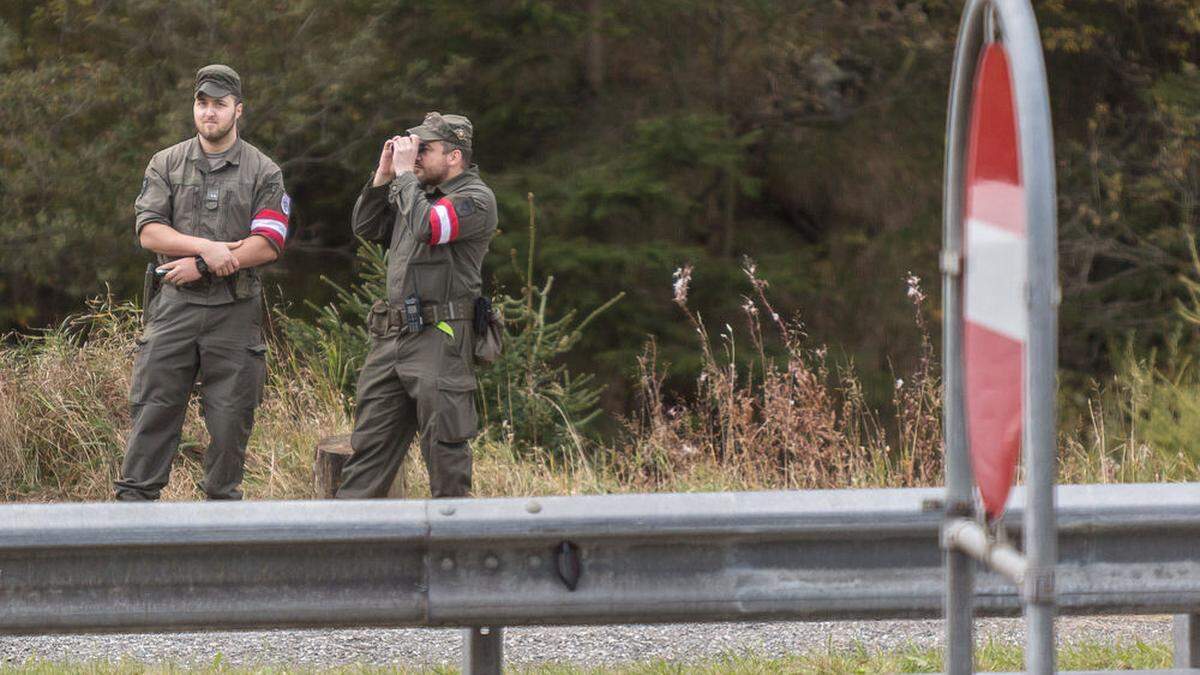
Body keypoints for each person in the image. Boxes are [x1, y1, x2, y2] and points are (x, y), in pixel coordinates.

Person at [115, 64, 291, 501]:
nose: (209, 113)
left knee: (231, 423)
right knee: (153, 412)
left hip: (234, 313)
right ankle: (133, 518)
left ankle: (219, 522)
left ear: (238, 111)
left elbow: (268, 242)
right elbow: (150, 232)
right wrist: (207, 249)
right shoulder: (167, 163)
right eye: (202, 103)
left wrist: (206, 264)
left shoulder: (263, 171)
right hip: (174, 308)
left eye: (219, 105)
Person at [336, 112, 497, 499]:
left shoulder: (475, 199)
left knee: (444, 450)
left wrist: (406, 178)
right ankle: (349, 546)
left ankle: (454, 546)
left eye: (425, 149)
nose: (416, 155)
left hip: (440, 338)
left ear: (455, 156)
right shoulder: (415, 194)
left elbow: (431, 227)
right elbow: (367, 228)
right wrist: (384, 176)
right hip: (392, 336)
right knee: (369, 447)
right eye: (414, 148)